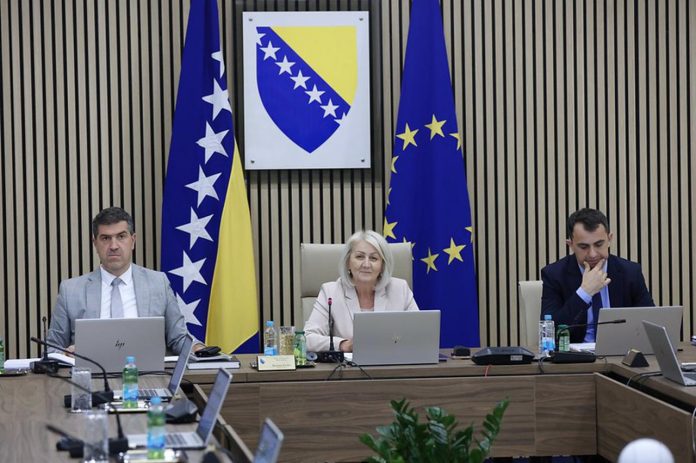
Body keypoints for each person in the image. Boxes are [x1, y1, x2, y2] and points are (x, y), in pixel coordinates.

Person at [46, 207, 201, 355]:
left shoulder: (158, 283)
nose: (113, 246)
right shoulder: (70, 291)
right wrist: (66, 354)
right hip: (91, 374)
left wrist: (200, 350)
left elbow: (179, 338)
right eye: (105, 238)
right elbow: (52, 349)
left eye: (121, 237)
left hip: (147, 373)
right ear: (95, 244)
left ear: (132, 241)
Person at [541, 208, 654, 343]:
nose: (592, 254)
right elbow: (550, 333)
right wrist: (584, 293)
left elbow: (651, 322)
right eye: (584, 247)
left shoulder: (630, 272)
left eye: (599, 244)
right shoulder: (554, 275)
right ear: (571, 245)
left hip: (620, 351)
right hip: (575, 353)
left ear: (609, 239)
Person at [304, 230, 419, 353]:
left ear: (382, 266)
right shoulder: (330, 292)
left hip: (393, 362)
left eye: (373, 258)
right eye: (360, 257)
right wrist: (343, 345)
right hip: (349, 364)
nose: (366, 264)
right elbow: (307, 339)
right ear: (348, 262)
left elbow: (420, 334)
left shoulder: (400, 289)